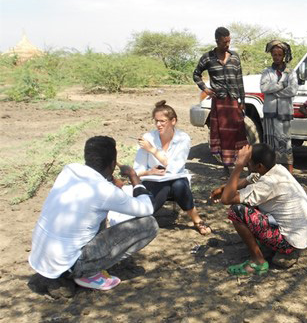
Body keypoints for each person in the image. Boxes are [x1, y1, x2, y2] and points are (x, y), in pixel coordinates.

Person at [29, 136, 158, 291]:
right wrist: (133, 176)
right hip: (69, 265)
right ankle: (88, 273)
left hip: (41, 257)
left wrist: (111, 181)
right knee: (149, 224)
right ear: (112, 164)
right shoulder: (105, 191)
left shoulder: (69, 170)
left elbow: (95, 193)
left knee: (95, 215)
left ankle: (76, 269)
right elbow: (146, 208)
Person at [210, 144, 307, 276]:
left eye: (248, 163)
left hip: (289, 242)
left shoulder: (268, 183)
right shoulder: (277, 169)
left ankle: (258, 261)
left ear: (259, 166)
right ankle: (266, 247)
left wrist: (238, 166)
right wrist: (223, 188)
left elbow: (226, 199)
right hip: (298, 236)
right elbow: (246, 181)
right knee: (248, 202)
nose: (247, 166)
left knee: (236, 211)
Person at [134, 100, 211, 235]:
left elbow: (174, 169)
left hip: (177, 179)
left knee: (178, 185)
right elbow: (137, 171)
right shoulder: (148, 137)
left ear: (173, 121)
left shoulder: (183, 138)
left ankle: (197, 220)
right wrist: (149, 171)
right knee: (165, 186)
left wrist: (152, 150)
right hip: (153, 180)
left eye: (162, 121)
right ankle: (142, 219)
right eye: (156, 121)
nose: (158, 124)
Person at [193, 27, 248, 175]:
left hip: (234, 100)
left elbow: (239, 79)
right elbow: (196, 74)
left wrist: (242, 100)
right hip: (220, 101)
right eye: (224, 42)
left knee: (238, 132)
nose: (227, 44)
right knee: (223, 133)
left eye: (229, 41)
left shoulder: (235, 57)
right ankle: (226, 165)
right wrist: (205, 89)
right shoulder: (207, 57)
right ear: (217, 41)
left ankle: (239, 164)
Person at [260, 40, 298, 173]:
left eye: (279, 54)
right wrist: (281, 86)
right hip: (270, 113)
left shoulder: (290, 72)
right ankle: (272, 173)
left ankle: (289, 174)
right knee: (270, 144)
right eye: (274, 54)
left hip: (284, 113)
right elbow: (263, 88)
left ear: (284, 55)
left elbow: (293, 90)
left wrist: (274, 92)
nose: (276, 57)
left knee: (285, 143)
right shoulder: (267, 71)